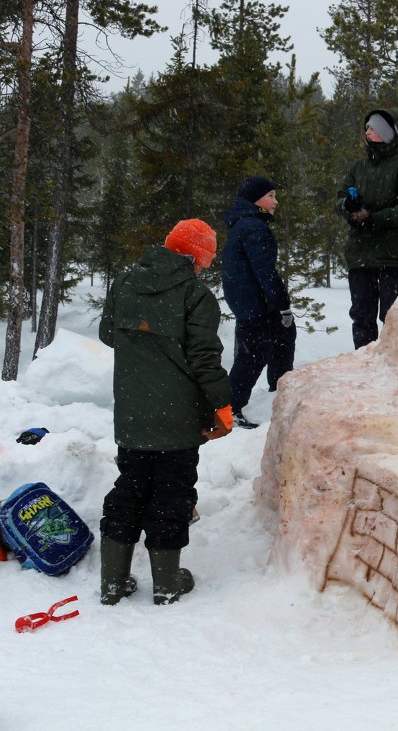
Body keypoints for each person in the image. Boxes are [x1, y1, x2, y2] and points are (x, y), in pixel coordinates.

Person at [98, 219, 233, 606]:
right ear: (193, 256)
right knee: (171, 494)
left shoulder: (124, 283)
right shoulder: (196, 296)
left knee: (129, 488)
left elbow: (109, 334)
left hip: (132, 412)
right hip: (178, 417)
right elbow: (205, 359)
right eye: (205, 260)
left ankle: (112, 582)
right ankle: (167, 582)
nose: (205, 268)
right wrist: (222, 405)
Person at [335, 109, 398, 349]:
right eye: (367, 127)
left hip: (392, 257)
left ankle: (392, 371)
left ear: (387, 134)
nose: (367, 131)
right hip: (360, 255)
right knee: (362, 318)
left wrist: (374, 218)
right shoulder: (358, 168)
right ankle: (365, 368)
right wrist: (349, 207)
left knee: (393, 319)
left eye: (372, 127)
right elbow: (340, 198)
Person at [221, 176, 295, 429]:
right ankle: (230, 410)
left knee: (277, 342)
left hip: (249, 304)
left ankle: (278, 396)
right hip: (255, 305)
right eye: (271, 196)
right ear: (256, 201)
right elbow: (265, 271)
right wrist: (282, 304)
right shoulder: (253, 227)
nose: (276, 201)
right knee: (253, 356)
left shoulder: (243, 225)